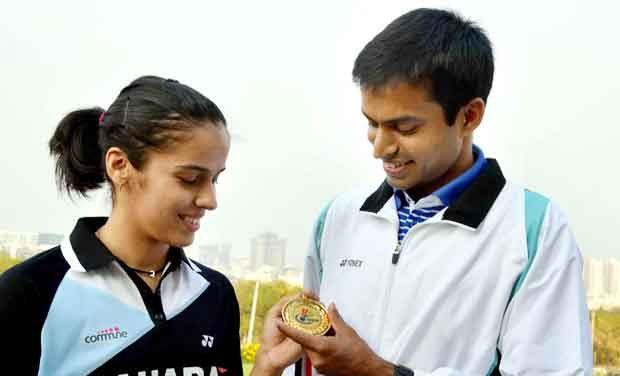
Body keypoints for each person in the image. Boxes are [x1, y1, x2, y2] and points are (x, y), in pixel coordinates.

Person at [264, 8, 593, 376]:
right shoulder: (338, 217)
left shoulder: (533, 231)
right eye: (372, 124)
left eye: (404, 128)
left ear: (469, 116)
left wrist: (377, 372)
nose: (380, 147)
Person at [0, 76, 248, 375]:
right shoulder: (29, 292)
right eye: (190, 179)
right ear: (119, 165)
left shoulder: (214, 293)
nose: (210, 200)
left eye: (215, 178)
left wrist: (268, 368)